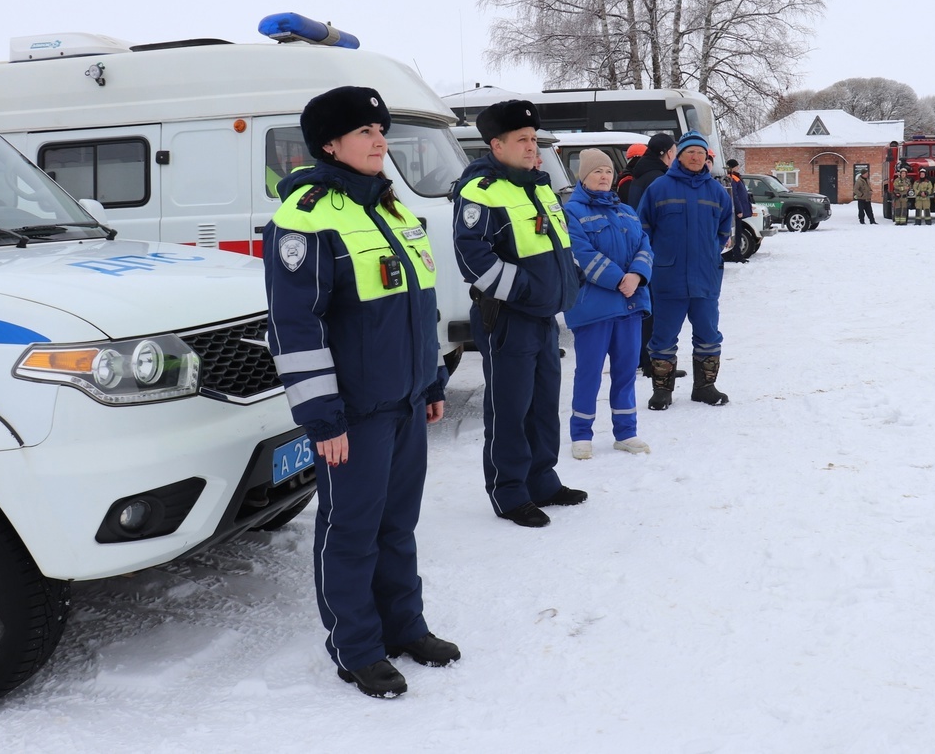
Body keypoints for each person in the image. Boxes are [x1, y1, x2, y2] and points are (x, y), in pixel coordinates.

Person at [263, 86, 458, 700]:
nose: (379, 140)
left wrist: (430, 381)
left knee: (398, 525)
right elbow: (295, 330)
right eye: (365, 132)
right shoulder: (307, 215)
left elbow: (418, 308)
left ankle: (405, 626)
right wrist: (324, 420)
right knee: (350, 530)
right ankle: (356, 646)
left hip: (403, 404)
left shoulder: (394, 210)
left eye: (381, 130)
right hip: (352, 415)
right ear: (329, 144)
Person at [452, 100, 585, 529]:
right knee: (510, 409)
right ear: (497, 145)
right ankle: (509, 492)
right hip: (508, 319)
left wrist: (570, 280)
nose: (532, 148)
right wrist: (526, 291)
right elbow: (473, 258)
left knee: (543, 405)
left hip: (544, 318)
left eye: (534, 140)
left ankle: (541, 480)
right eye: (523, 141)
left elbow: (555, 245)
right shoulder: (481, 190)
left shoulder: (538, 185)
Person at [563, 149, 654, 459]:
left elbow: (644, 244)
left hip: (629, 305)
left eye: (607, 172)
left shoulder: (626, 211)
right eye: (596, 172)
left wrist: (638, 275)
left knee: (627, 371)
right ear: (583, 177)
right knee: (589, 372)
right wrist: (619, 279)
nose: (604, 177)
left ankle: (626, 432)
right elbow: (580, 254)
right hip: (593, 307)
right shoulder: (571, 212)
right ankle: (581, 434)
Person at [637, 130, 732, 410]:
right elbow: (643, 229)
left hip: (705, 278)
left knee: (708, 334)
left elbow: (725, 229)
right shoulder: (659, 188)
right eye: (690, 152)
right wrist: (657, 257)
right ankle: (662, 391)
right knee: (663, 337)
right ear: (679, 155)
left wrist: (710, 252)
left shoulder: (716, 191)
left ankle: (705, 387)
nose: (696, 157)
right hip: (668, 278)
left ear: (707, 159)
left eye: (701, 153)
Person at [620, 132, 679, 378]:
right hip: (653, 248)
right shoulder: (658, 178)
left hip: (643, 246)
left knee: (648, 306)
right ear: (665, 152)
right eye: (674, 151)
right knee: (654, 307)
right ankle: (652, 362)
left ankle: (646, 359)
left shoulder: (643, 173)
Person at [722, 159, 755, 263]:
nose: (738, 167)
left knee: (738, 232)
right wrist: (739, 209)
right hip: (736, 211)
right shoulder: (732, 178)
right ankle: (736, 255)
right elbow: (734, 195)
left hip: (738, 209)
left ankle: (735, 254)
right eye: (736, 166)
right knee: (736, 233)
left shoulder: (736, 177)